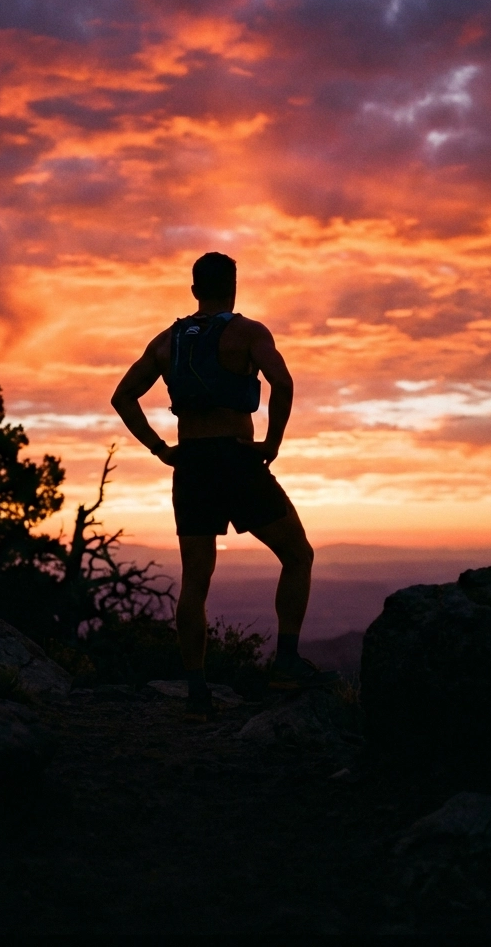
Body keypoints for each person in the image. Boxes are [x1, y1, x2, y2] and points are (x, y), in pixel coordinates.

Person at [111, 251, 340, 721]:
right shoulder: (248, 332)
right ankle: (286, 663)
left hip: (191, 464)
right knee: (298, 556)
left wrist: (160, 449)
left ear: (194, 290)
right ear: (234, 286)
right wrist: (272, 442)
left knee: (196, 580)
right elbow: (282, 381)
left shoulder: (166, 340)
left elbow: (123, 396)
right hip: (237, 459)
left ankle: (196, 689)